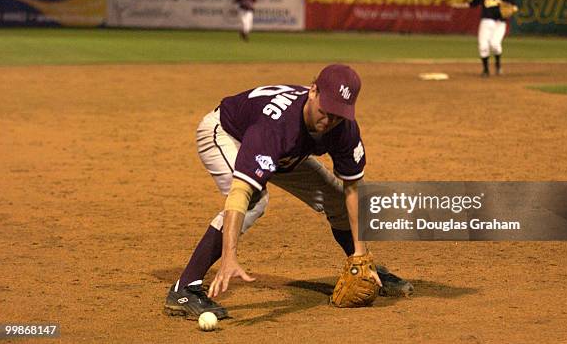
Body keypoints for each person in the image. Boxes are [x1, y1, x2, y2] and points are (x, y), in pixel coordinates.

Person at [164, 64, 414, 320]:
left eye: (338, 116)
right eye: (325, 112)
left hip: (286, 153)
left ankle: (361, 269)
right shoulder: (277, 125)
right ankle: (185, 288)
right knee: (255, 201)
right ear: (313, 91)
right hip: (228, 135)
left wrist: (362, 255)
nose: (329, 122)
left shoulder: (343, 127)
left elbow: (352, 188)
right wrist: (229, 255)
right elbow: (240, 192)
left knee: (336, 197)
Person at [452, 0, 518, 77]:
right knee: (483, 45)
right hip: (486, 21)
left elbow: (515, 6)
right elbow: (472, 4)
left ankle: (498, 65)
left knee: (495, 44)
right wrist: (458, 5)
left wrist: (511, 9)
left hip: (500, 23)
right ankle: (486, 70)